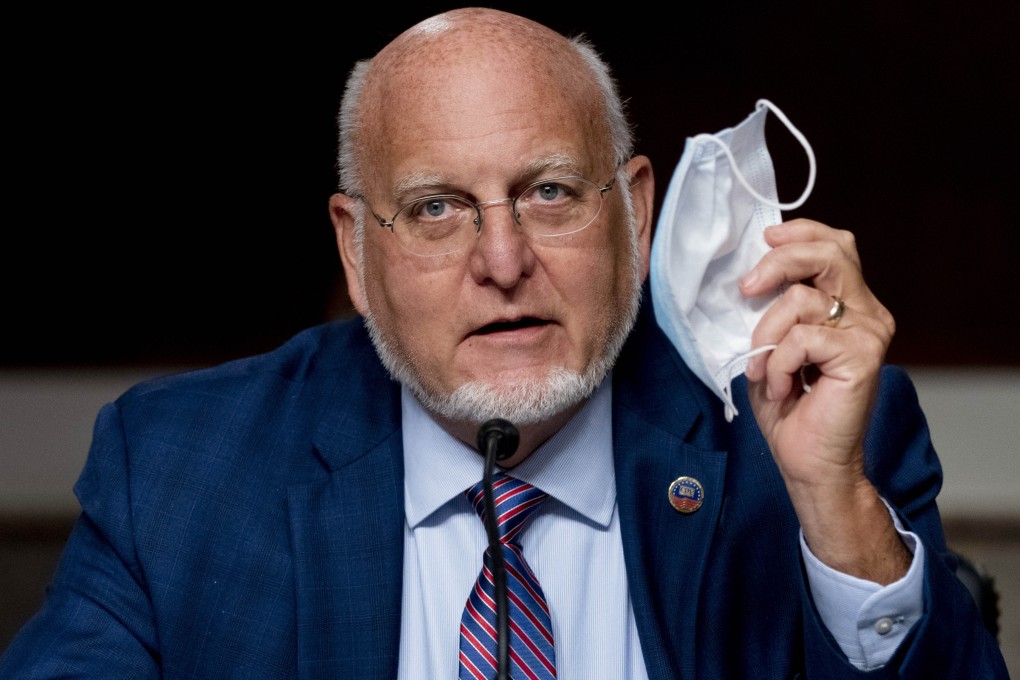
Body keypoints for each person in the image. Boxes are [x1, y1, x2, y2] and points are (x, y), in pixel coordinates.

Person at [0, 7, 1007, 679]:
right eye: (438, 208)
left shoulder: (801, 433)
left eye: (550, 192)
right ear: (356, 251)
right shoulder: (178, 470)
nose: (502, 257)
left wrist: (838, 514)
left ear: (635, 211)